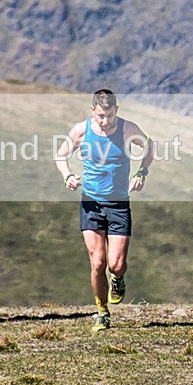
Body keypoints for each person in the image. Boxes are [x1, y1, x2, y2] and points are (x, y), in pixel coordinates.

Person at [56, 89, 153, 332]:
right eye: (100, 116)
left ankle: (118, 280)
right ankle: (102, 312)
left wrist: (142, 172)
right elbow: (61, 155)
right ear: (92, 111)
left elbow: (149, 147)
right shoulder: (81, 131)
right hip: (91, 203)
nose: (105, 121)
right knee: (97, 262)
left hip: (119, 204)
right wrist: (67, 175)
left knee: (116, 265)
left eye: (109, 115)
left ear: (116, 111)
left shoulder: (127, 129)